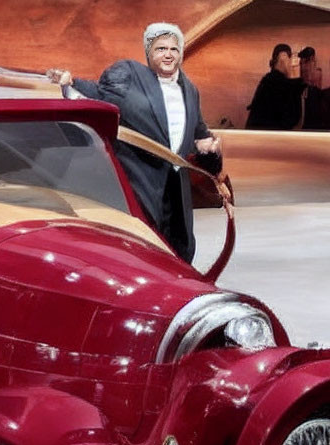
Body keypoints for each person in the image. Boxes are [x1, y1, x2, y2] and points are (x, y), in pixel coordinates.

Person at [47, 22, 221, 264]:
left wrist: (208, 148)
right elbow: (98, 95)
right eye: (161, 49)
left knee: (177, 258)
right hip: (139, 186)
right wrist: (68, 84)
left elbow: (199, 135)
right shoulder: (129, 75)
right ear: (148, 51)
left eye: (174, 49)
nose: (168, 54)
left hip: (176, 196)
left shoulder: (190, 89)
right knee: (140, 256)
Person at [245, 43, 306, 130]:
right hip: (268, 139)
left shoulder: (268, 82)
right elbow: (291, 119)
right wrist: (294, 80)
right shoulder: (275, 84)